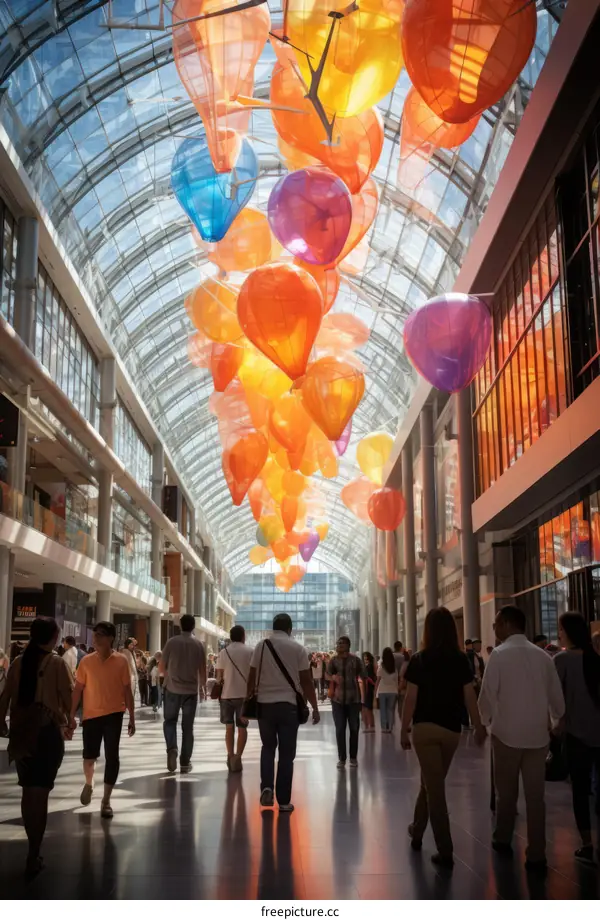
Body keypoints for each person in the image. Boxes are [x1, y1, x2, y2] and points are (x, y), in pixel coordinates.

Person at [478, 606, 565, 874]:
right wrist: (554, 722)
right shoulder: (543, 657)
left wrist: (484, 722)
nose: (493, 628)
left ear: (505, 624)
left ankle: (503, 838)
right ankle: (537, 853)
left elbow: (487, 696)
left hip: (506, 735)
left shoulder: (499, 656)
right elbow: (557, 701)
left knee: (506, 793)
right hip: (538, 738)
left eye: (495, 623)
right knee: (536, 797)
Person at [401, 607, 486, 869]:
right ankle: (416, 831)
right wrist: (478, 724)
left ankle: (445, 849)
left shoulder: (419, 659)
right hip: (451, 730)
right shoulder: (461, 660)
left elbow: (411, 698)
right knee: (431, 783)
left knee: (434, 789)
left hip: (424, 729)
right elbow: (470, 696)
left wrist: (404, 728)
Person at [0, 616, 73, 878]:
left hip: (21, 735)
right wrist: (70, 720)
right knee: (40, 795)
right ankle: (33, 851)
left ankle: (32, 849)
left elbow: (5, 696)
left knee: (27, 791)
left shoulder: (19, 662)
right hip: (46, 736)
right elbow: (68, 698)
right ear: (53, 638)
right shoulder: (57, 663)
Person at [247, 613, 319, 811]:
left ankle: (267, 787)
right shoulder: (298, 648)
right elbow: (306, 681)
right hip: (289, 707)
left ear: (273, 627)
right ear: (290, 629)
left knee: (268, 747)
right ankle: (284, 801)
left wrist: (247, 703)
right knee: (287, 754)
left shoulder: (261, 646)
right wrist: (315, 707)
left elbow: (252, 676)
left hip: (264, 706)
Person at [70, 621, 135, 819]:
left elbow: (127, 690)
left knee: (112, 756)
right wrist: (70, 714)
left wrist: (132, 716)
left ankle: (106, 800)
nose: (95, 637)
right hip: (91, 715)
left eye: (100, 634)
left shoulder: (121, 661)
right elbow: (78, 690)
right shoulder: (87, 661)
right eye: (95, 634)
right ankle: (89, 783)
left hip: (114, 714)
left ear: (110, 638)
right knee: (89, 756)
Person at [554, 611, 600, 864]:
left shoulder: (562, 660)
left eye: (560, 629)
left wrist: (555, 723)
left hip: (576, 734)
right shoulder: (596, 659)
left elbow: (555, 697)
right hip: (597, 733)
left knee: (580, 791)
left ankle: (587, 844)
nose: (559, 633)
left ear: (568, 631)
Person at [161, 613, 207, 775]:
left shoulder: (171, 642)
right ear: (193, 626)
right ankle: (185, 762)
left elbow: (161, 667)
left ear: (180, 626)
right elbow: (202, 669)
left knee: (169, 722)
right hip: (190, 692)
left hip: (172, 689)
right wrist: (203, 688)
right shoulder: (199, 645)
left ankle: (172, 748)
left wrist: (168, 676)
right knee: (188, 728)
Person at [216, 625, 253, 773]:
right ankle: (238, 757)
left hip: (226, 695)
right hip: (244, 696)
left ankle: (230, 755)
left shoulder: (224, 652)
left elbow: (219, 676)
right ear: (243, 635)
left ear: (231, 637)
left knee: (229, 728)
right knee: (242, 728)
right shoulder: (251, 651)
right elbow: (253, 674)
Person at [328, 635, 364, 768]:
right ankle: (342, 758)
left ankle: (353, 757)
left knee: (354, 728)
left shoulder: (356, 660)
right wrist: (333, 677)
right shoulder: (333, 661)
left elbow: (364, 676)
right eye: (338, 644)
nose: (338, 646)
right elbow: (326, 673)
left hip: (354, 699)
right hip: (337, 700)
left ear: (348, 646)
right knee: (340, 729)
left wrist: (364, 699)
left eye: (341, 644)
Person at [376, 647, 399, 733]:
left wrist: (375, 692)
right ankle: (390, 727)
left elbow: (377, 681)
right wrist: (397, 690)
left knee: (383, 709)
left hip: (382, 691)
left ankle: (384, 727)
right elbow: (396, 680)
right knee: (390, 709)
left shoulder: (381, 667)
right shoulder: (394, 668)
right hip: (393, 691)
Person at [361, 651, 376, 733]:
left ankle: (371, 725)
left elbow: (369, 678)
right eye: (364, 658)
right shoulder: (368, 666)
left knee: (368, 708)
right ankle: (370, 725)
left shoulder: (369, 667)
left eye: (366, 658)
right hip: (367, 689)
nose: (365, 660)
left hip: (368, 689)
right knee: (367, 708)